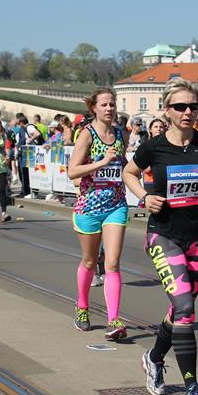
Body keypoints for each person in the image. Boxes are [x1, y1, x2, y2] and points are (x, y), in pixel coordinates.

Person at [123, 77, 198, 395]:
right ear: (167, 110)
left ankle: (154, 358)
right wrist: (144, 197)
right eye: (180, 106)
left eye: (193, 106)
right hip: (163, 235)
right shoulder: (154, 147)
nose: (188, 112)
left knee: (180, 311)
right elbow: (129, 173)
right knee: (185, 308)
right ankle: (193, 390)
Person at [67, 88, 129, 341]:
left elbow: (124, 166)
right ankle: (82, 306)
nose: (109, 108)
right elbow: (72, 171)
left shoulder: (121, 134)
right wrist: (102, 162)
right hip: (89, 206)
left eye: (112, 104)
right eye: (104, 105)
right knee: (90, 261)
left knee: (112, 263)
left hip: (116, 204)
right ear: (94, 108)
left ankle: (114, 318)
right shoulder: (87, 134)